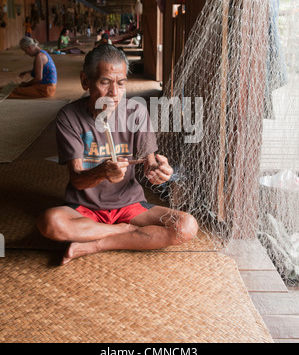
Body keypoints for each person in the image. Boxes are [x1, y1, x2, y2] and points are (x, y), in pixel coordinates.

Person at [36, 45, 198, 265]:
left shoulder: (136, 112)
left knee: (186, 226)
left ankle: (98, 242)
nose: (114, 93)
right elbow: (77, 180)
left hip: (129, 204)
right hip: (85, 208)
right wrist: (102, 172)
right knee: (50, 223)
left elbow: (150, 165)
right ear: (85, 81)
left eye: (121, 83)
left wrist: (159, 172)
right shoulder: (69, 116)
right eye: (105, 82)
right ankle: (123, 232)